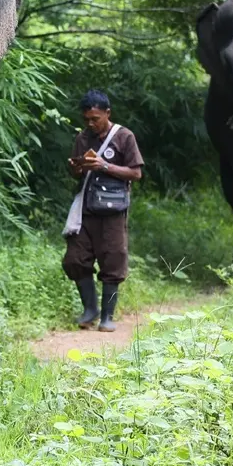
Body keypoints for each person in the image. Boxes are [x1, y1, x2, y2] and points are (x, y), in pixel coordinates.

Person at [62, 90, 145, 332]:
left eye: (95, 118)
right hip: (86, 211)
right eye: (86, 118)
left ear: (107, 113)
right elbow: (76, 173)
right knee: (75, 259)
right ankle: (90, 309)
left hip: (113, 213)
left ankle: (107, 317)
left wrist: (104, 165)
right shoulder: (83, 138)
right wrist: (76, 168)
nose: (91, 123)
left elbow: (136, 173)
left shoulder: (124, 137)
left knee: (113, 262)